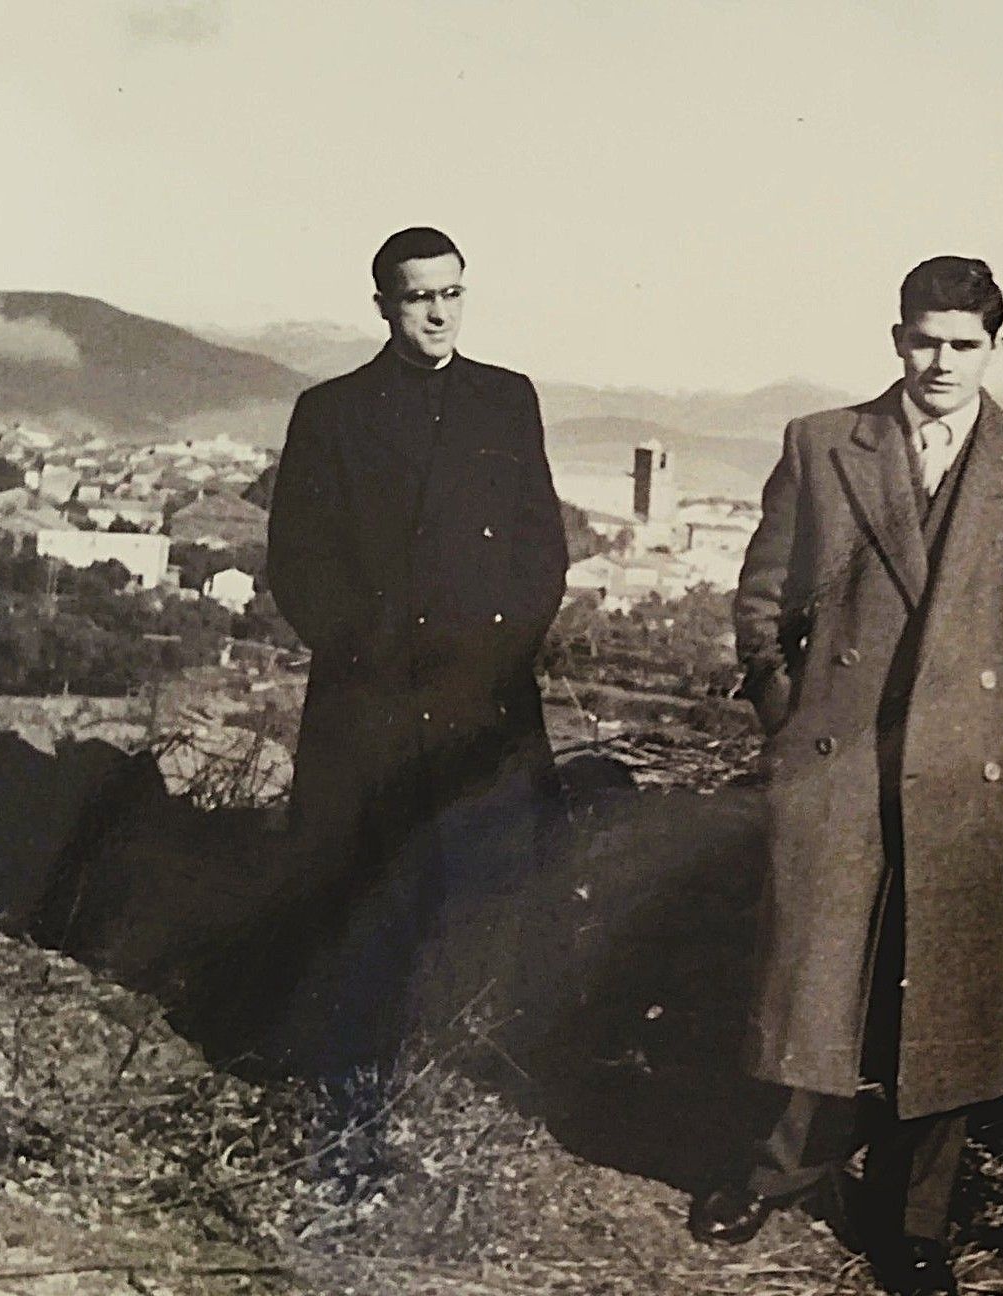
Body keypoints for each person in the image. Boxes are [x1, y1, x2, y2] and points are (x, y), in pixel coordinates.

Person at [691, 256, 1003, 1296]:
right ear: (896, 339)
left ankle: (916, 1219)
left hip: (975, 777)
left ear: (996, 351)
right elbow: (763, 598)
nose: (941, 362)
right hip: (841, 763)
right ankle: (776, 1170)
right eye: (924, 340)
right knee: (814, 976)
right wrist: (794, 722)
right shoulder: (826, 443)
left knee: (954, 1000)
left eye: (964, 344)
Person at [264, 226, 568, 1168]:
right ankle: (353, 1083)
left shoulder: (506, 400)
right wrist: (369, 654)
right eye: (416, 297)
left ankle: (476, 1064)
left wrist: (495, 653)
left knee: (487, 873)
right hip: (374, 701)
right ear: (383, 304)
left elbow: (540, 548)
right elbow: (297, 561)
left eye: (451, 294)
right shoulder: (332, 411)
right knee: (364, 887)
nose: (436, 313)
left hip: (483, 695)